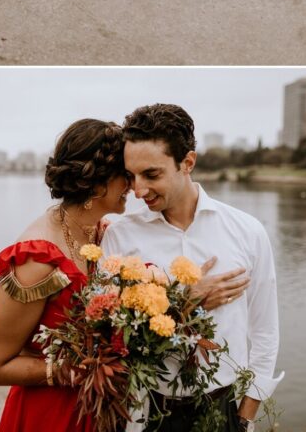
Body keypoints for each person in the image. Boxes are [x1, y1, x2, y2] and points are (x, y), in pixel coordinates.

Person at [102, 103, 281, 425]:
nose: (139, 190)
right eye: (131, 176)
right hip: (145, 411)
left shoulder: (248, 231)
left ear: (187, 162)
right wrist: (184, 302)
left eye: (152, 174)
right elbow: (111, 339)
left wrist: (244, 419)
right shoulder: (119, 236)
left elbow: (265, 331)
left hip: (223, 408)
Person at [0, 119, 130, 422]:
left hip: (98, 411)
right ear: (96, 181)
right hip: (50, 415)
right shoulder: (36, 258)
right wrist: (80, 370)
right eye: (125, 174)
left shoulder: (102, 234)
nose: (134, 185)